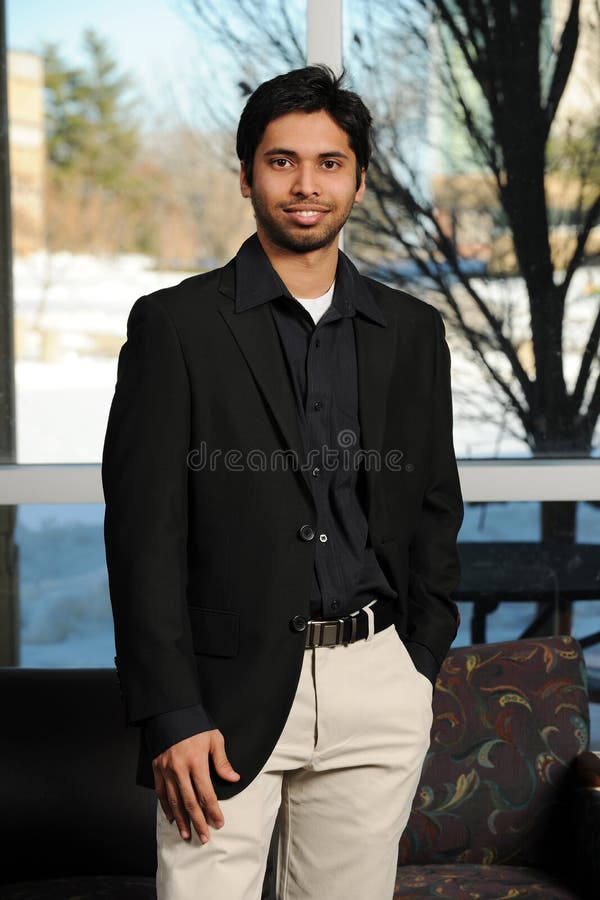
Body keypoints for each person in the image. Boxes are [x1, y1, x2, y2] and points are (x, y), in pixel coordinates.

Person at [102, 64, 464, 900]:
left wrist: (418, 660)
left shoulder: (413, 332)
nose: (307, 185)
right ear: (245, 176)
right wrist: (170, 711)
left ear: (360, 180)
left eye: (330, 162)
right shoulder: (176, 326)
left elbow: (432, 505)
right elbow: (142, 535)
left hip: (377, 682)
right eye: (281, 161)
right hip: (221, 692)